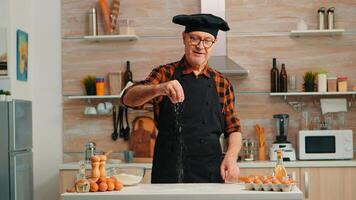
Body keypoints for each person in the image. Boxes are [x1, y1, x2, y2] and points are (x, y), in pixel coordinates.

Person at [122, 13, 242, 183]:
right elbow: (128, 99)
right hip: (168, 174)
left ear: (213, 44)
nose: (201, 46)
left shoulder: (221, 82)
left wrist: (231, 157)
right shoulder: (164, 74)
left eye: (207, 40)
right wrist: (158, 89)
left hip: (210, 174)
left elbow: (234, 129)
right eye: (195, 38)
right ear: (184, 38)